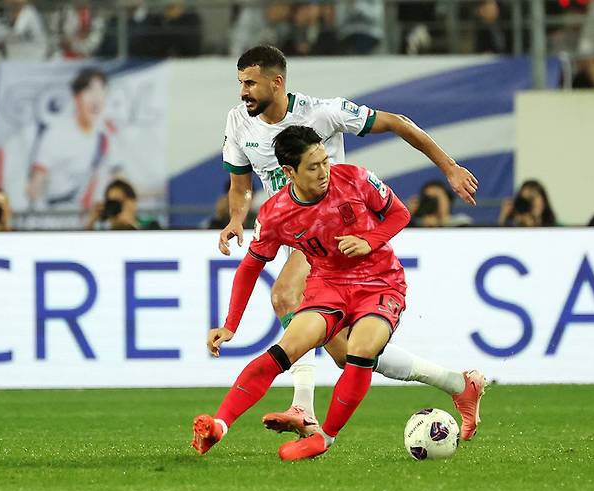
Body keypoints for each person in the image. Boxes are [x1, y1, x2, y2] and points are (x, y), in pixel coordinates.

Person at [219, 45, 483, 440]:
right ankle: (458, 385)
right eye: (240, 82)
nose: (243, 91)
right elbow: (240, 184)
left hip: (330, 232)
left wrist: (449, 167)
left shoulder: (321, 112)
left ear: (277, 82)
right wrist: (236, 219)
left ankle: (303, 408)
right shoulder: (239, 122)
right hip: (287, 230)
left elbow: (397, 122)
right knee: (350, 356)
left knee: (285, 297)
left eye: (250, 83)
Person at [193, 126, 485, 461]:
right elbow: (250, 267)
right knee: (287, 348)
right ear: (289, 172)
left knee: (359, 349)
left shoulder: (355, 179)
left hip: (379, 282)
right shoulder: (275, 214)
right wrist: (231, 325)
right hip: (328, 286)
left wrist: (369, 241)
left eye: (324, 161)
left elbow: (399, 213)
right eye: (313, 166)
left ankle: (324, 437)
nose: (323, 171)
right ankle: (219, 425)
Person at [26, 67, 119, 212]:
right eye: (90, 91)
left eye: (101, 91)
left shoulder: (105, 136)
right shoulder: (56, 133)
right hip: (57, 217)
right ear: (76, 97)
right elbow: (35, 185)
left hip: (92, 219)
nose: (96, 98)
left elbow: (119, 181)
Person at [86, 178, 160, 230]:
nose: (114, 206)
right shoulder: (103, 229)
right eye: (111, 202)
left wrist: (132, 226)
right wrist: (91, 223)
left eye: (119, 202)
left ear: (133, 203)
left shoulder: (150, 225)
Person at [408, 180, 473, 227]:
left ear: (448, 199)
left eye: (437, 198)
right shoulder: (416, 223)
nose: (433, 202)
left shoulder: (461, 221)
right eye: (429, 198)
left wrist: (442, 221)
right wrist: (409, 214)